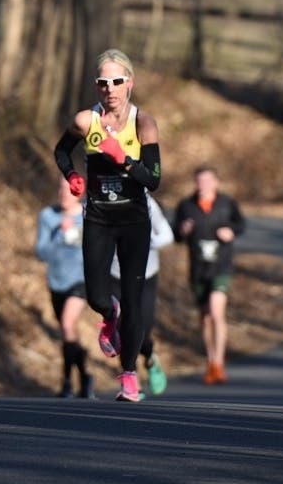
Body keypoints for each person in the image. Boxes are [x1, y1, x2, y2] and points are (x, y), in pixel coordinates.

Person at [53, 48, 162, 402]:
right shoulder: (87, 121)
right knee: (99, 297)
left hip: (134, 221)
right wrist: (71, 176)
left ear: (130, 83)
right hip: (98, 218)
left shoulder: (143, 123)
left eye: (117, 81)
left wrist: (125, 160)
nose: (110, 88)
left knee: (133, 300)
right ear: (96, 86)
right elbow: (61, 151)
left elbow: (154, 179)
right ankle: (108, 314)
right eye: (103, 82)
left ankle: (129, 376)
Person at [174, 166, 246, 385]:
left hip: (221, 266)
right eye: (199, 181)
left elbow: (241, 224)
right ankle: (210, 361)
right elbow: (175, 233)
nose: (203, 185)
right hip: (198, 269)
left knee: (216, 312)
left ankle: (219, 363)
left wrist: (231, 232)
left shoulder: (227, 203)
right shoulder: (186, 206)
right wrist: (182, 231)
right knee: (205, 318)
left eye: (207, 181)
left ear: (216, 182)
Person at [35, 176, 94, 399]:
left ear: (79, 191)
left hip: (81, 281)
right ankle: (84, 375)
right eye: (60, 189)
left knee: (69, 324)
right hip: (56, 282)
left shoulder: (89, 216)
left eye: (68, 190)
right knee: (68, 333)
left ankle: (67, 381)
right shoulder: (48, 216)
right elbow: (41, 253)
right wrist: (58, 233)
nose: (63, 194)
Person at [110, 194, 173, 396]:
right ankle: (131, 380)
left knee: (143, 327)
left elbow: (167, 235)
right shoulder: (101, 197)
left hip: (145, 274)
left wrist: (146, 242)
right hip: (116, 274)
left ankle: (150, 357)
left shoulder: (146, 201)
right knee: (122, 326)